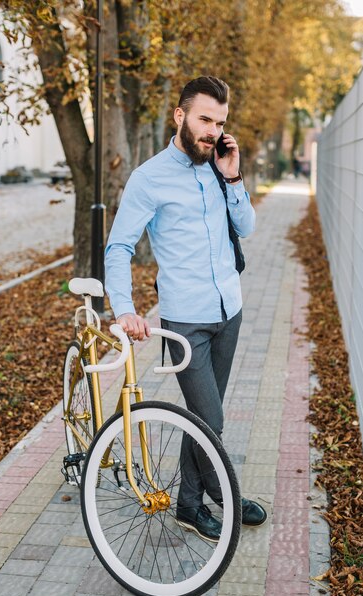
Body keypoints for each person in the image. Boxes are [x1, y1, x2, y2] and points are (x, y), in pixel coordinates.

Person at [105, 75, 267, 542]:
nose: (212, 130)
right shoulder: (148, 178)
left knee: (200, 416)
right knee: (211, 419)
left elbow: (248, 226)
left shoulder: (219, 166)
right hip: (186, 321)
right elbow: (119, 247)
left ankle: (190, 505)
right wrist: (125, 309)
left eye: (219, 122)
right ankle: (225, 496)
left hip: (229, 311)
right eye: (203, 119)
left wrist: (234, 176)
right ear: (180, 116)